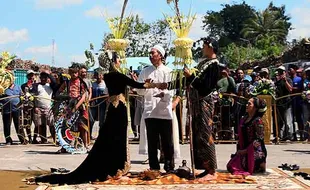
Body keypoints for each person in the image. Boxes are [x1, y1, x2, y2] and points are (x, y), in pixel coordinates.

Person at [31, 52, 166, 184]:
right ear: (114, 61)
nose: (120, 61)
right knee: (118, 136)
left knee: (110, 135)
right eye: (119, 59)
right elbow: (139, 85)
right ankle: (117, 165)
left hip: (112, 108)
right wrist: (154, 84)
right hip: (120, 108)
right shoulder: (119, 75)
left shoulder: (107, 76)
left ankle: (113, 164)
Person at [183, 37, 221, 176]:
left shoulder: (213, 65)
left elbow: (205, 87)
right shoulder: (203, 63)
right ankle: (203, 166)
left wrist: (190, 77)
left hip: (204, 103)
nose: (202, 48)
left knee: (205, 133)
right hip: (197, 104)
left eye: (204, 46)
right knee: (197, 134)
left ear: (210, 48)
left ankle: (211, 169)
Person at [136, 45, 175, 173]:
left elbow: (173, 90)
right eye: (150, 53)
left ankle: (169, 167)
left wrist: (164, 94)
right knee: (152, 142)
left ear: (161, 55)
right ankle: (154, 167)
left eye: (153, 53)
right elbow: (139, 92)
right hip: (150, 111)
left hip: (164, 111)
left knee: (167, 142)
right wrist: (145, 86)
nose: (151, 56)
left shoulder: (169, 71)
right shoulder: (145, 71)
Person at [227, 97, 267, 175]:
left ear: (255, 108)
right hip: (244, 150)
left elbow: (259, 140)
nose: (246, 105)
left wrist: (245, 151)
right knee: (230, 166)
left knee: (241, 167)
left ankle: (261, 164)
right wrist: (239, 151)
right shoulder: (244, 119)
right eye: (247, 103)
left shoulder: (258, 121)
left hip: (255, 151)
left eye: (249, 104)